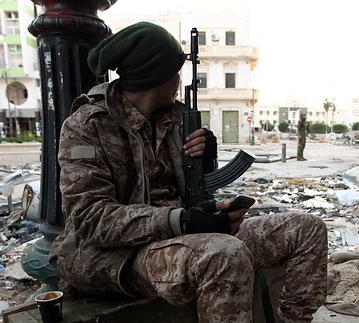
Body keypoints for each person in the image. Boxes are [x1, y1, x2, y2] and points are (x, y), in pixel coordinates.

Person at [49, 22, 327, 323]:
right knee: (224, 255)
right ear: (154, 74)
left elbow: (194, 193)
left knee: (307, 228)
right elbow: (91, 219)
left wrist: (207, 168)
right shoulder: (86, 127)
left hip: (183, 237)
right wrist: (181, 220)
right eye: (175, 71)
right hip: (114, 256)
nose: (179, 81)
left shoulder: (178, 119)